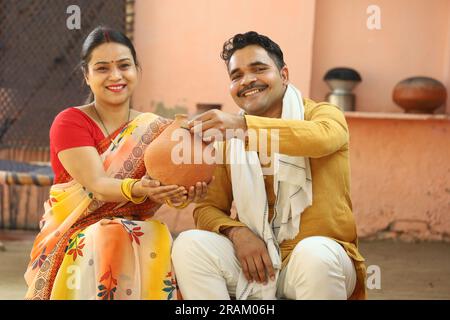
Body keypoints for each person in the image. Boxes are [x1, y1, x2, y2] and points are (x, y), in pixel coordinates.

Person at [172, 31, 367, 300]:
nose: (247, 80)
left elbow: (322, 139)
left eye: (259, 69)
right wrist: (237, 233)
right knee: (189, 245)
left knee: (315, 255)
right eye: (236, 75)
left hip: (317, 261)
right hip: (258, 265)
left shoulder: (322, 115)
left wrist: (243, 127)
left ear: (284, 74)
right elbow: (208, 208)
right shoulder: (229, 141)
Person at [24, 26, 208, 300]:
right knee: (110, 234)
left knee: (152, 235)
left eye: (124, 65)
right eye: (102, 68)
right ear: (86, 76)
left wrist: (183, 195)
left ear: (137, 70)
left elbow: (167, 188)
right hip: (77, 232)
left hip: (138, 228)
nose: (115, 76)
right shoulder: (71, 121)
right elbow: (97, 186)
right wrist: (142, 189)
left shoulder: (156, 128)